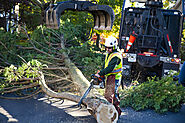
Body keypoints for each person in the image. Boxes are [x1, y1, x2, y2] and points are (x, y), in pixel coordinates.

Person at [95, 36, 123, 117]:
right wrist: (101, 74)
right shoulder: (109, 54)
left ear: (114, 46)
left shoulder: (116, 56)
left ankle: (110, 114)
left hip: (114, 78)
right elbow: (105, 66)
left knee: (110, 96)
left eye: (109, 48)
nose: (107, 49)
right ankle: (114, 113)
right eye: (106, 47)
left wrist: (100, 74)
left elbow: (110, 68)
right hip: (110, 77)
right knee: (110, 96)